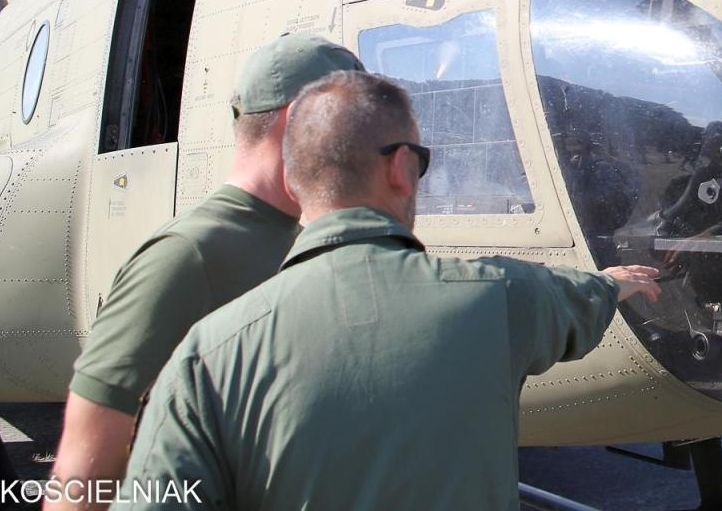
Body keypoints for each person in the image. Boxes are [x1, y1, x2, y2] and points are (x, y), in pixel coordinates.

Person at [121, 70, 661, 510]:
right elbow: (572, 303)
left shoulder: (205, 357)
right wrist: (611, 283)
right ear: (402, 168)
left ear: (292, 182)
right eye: (421, 164)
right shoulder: (499, 297)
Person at [45, 33, 363, 509]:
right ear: (295, 122)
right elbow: (85, 468)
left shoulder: (298, 237)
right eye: (351, 127)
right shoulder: (186, 256)